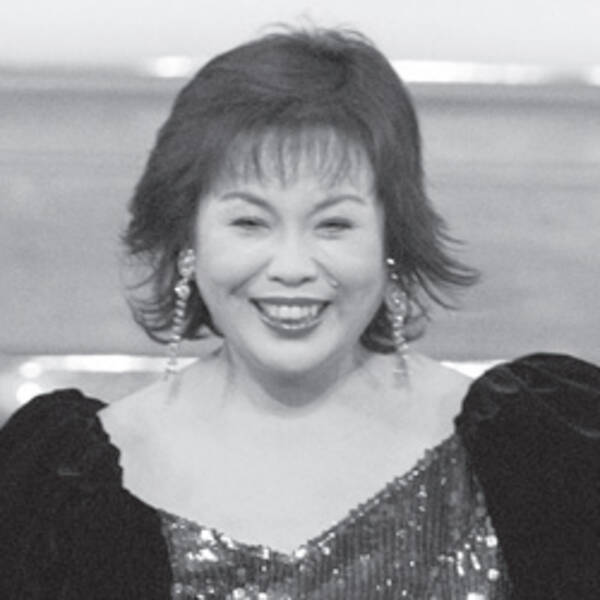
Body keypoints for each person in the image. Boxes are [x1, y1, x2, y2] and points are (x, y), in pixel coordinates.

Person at [0, 26, 598, 600]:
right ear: (188, 239)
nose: (292, 267)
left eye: (334, 224)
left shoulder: (547, 448)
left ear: (391, 239)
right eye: (249, 222)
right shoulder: (60, 484)